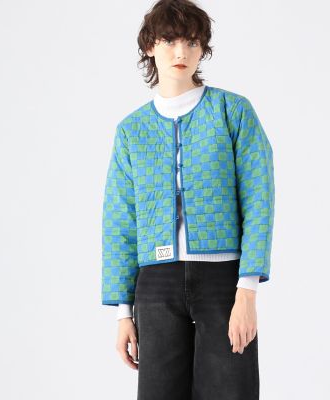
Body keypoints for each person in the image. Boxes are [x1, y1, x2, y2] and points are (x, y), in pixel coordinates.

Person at [101, 0, 275, 398]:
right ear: (150, 46)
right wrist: (123, 313)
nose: (181, 52)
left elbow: (259, 200)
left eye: (193, 42)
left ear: (203, 49)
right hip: (155, 286)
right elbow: (120, 221)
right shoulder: (131, 131)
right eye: (169, 40)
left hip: (223, 283)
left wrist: (247, 291)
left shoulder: (233, 112)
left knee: (231, 391)